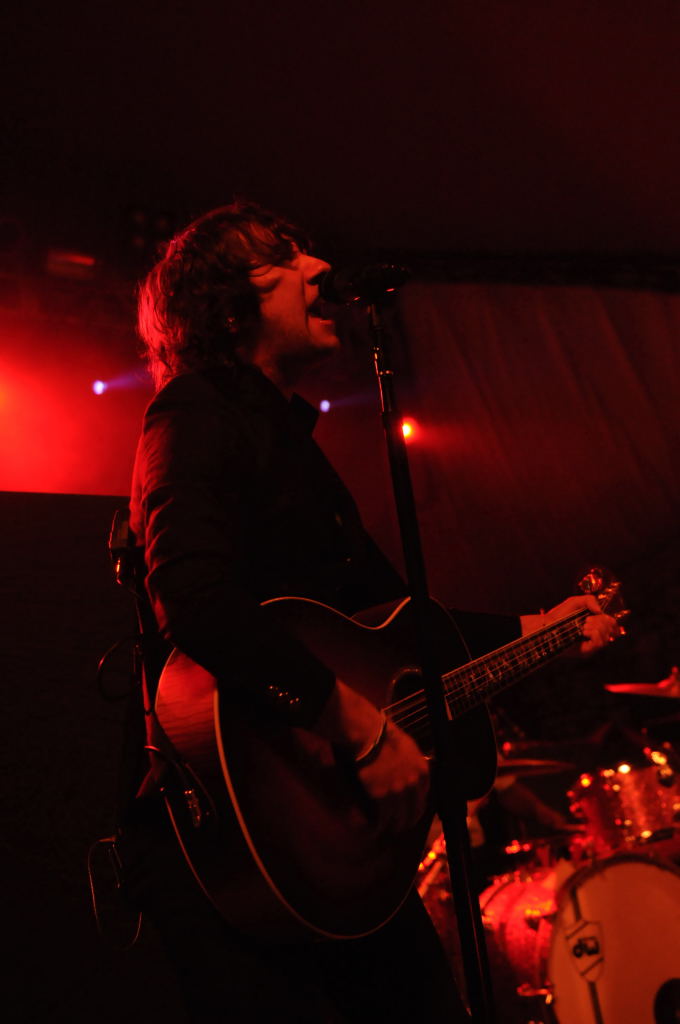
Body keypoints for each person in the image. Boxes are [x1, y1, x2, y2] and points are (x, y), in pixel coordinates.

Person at [121, 200, 618, 1022]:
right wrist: (358, 728)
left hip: (341, 857)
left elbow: (398, 624)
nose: (320, 267)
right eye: (284, 256)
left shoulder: (290, 444)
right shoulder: (194, 415)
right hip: (249, 851)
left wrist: (545, 629)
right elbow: (195, 600)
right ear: (226, 304)